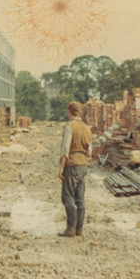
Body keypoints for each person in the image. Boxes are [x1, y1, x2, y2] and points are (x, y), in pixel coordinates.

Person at [59, 99, 92, 237]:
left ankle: (70, 229)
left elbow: (65, 149)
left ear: (70, 112)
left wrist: (61, 168)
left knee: (67, 197)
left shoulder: (69, 126)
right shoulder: (86, 127)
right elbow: (90, 151)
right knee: (80, 197)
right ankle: (79, 229)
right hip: (83, 164)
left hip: (72, 164)